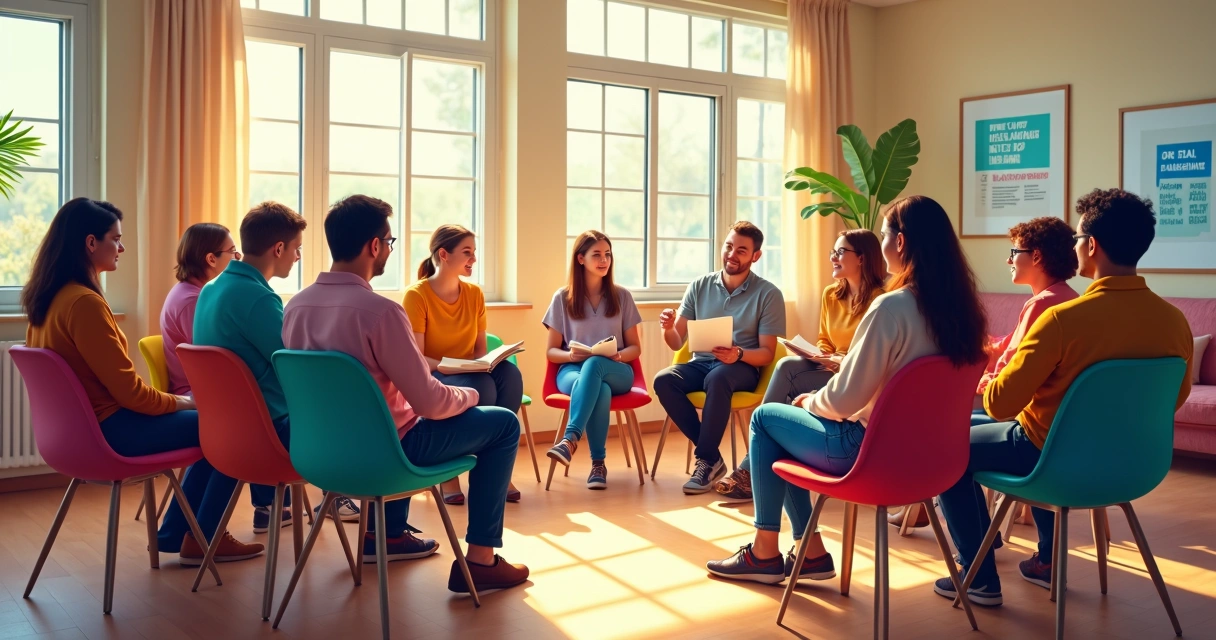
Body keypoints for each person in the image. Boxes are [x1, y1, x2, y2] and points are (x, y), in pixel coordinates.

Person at [706, 195, 988, 585]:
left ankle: (768, 553)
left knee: (767, 418)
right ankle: (808, 554)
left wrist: (810, 402)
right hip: (937, 456)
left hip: (870, 453)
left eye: (886, 235)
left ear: (900, 243)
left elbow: (845, 400)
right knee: (784, 417)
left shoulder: (891, 308)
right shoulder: (964, 313)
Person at [935, 189, 1193, 607]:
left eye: (1077, 238)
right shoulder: (1174, 322)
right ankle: (1042, 561)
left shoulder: (1061, 319)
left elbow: (1000, 404)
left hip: (1049, 460)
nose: (1074, 247)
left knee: (943, 447)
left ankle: (978, 575)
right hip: (1134, 467)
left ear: (1091, 246)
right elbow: (1173, 400)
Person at [283, 195, 529, 591]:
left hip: (320, 455)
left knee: (395, 414)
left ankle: (386, 534)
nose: (388, 251)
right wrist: (472, 396)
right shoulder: (380, 312)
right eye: (389, 242)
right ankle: (482, 562)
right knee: (501, 424)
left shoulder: (296, 307)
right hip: (387, 454)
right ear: (374, 246)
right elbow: (430, 402)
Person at [22, 198, 263, 565]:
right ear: (90, 243)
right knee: (234, 427)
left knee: (215, 425)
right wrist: (186, 402)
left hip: (74, 437)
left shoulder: (47, 301)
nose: (120, 248)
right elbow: (131, 395)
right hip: (112, 432)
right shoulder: (84, 304)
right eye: (115, 239)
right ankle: (201, 538)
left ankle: (184, 535)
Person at [716, 229, 886, 501]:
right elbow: (825, 339)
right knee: (787, 366)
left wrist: (839, 361)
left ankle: (752, 469)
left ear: (863, 258)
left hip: (855, 377)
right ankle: (758, 468)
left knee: (787, 383)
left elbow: (874, 357)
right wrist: (819, 354)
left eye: (840, 252)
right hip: (830, 369)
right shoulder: (832, 294)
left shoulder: (882, 301)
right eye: (833, 251)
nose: (833, 257)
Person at [191, 202, 320, 533]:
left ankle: (194, 535)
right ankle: (378, 526)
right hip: (265, 431)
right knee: (357, 423)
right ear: (279, 248)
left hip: (222, 423)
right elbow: (294, 367)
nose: (297, 256)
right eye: (297, 249)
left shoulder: (212, 287)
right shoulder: (257, 297)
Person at [654, 221, 786, 495]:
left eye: (741, 250)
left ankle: (703, 460)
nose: (731, 254)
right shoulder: (699, 285)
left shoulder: (769, 294)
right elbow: (676, 341)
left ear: (755, 256)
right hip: (700, 363)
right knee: (664, 380)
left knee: (718, 376)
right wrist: (668, 328)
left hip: (742, 367)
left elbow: (767, 354)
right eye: (728, 246)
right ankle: (712, 457)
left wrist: (737, 353)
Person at [404, 224, 523, 504]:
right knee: (482, 385)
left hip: (467, 371)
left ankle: (494, 466)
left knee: (510, 375)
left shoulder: (474, 294)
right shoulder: (417, 295)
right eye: (467, 252)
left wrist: (483, 363)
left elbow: (480, 351)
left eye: (474, 252)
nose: (473, 258)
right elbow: (417, 356)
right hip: (435, 374)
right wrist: (449, 366)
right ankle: (450, 473)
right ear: (444, 254)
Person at [542, 230, 643, 489]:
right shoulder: (562, 298)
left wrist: (618, 355)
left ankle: (569, 439)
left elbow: (635, 348)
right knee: (599, 387)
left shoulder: (622, 296)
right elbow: (552, 351)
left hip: (616, 368)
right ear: (580, 259)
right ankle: (598, 465)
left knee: (596, 366)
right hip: (571, 371)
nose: (604, 260)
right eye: (596, 254)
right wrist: (570, 355)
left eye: (607, 254)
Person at [973, 216, 1079, 425]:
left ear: (1036, 256)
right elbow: (1006, 346)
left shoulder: (1041, 304)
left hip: (1023, 416)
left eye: (1014, 252)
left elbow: (1008, 367)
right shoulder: (1071, 297)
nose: (1009, 260)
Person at [161, 223, 238, 396]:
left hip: (202, 387)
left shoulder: (192, 292)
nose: (237, 257)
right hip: (195, 392)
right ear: (211, 259)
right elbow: (210, 360)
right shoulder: (192, 301)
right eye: (232, 251)